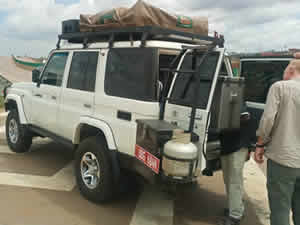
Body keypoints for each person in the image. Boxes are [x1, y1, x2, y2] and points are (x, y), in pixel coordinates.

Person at [255, 59, 300, 225]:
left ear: (290, 70)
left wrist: (260, 144)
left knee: (280, 209)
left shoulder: (280, 87)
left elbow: (267, 120)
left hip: (283, 159)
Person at [218, 104, 252, 225]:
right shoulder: (220, 100)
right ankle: (235, 207)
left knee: (234, 181)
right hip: (227, 146)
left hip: (238, 146)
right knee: (228, 179)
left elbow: (245, 118)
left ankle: (235, 216)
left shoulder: (237, 102)